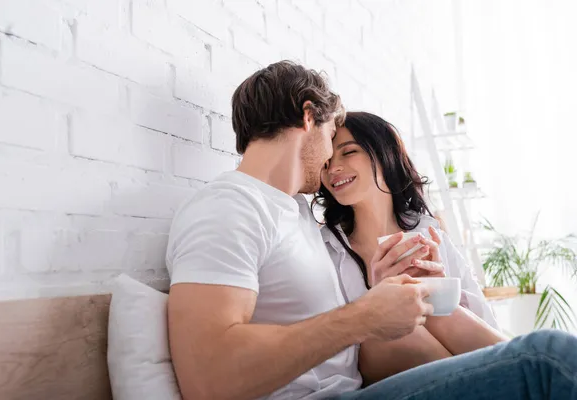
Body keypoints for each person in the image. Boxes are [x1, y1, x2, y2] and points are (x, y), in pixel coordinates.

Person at [165, 60, 577, 400]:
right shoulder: (230, 205)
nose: (329, 158)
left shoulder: (297, 215)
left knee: (542, 358)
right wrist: (363, 317)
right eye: (330, 137)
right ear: (308, 117)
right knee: (549, 358)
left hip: (357, 388)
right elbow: (209, 381)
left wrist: (383, 293)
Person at [315, 111, 505, 383]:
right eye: (326, 162)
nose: (333, 169)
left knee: (440, 307)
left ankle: (523, 368)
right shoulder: (324, 248)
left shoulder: (429, 233)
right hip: (373, 372)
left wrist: (437, 294)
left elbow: (479, 319)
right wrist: (381, 299)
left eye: (348, 152)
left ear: (384, 153)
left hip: (451, 360)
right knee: (401, 319)